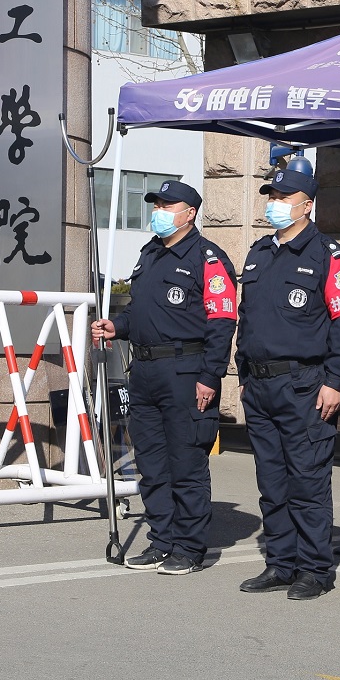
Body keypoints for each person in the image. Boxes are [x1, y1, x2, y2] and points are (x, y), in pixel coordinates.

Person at [90, 180, 238, 576]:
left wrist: (210, 375)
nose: (159, 211)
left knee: (185, 461)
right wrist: (117, 326)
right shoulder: (150, 254)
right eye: (156, 204)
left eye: (167, 205)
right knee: (151, 462)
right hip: (144, 370)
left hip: (186, 371)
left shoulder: (209, 259)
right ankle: (162, 540)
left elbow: (222, 322)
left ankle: (189, 548)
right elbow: (144, 313)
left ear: (189, 213)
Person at [235, 165, 340, 601]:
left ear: (307, 204)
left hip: (306, 384)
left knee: (307, 481)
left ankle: (314, 569)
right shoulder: (258, 253)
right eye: (272, 195)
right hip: (261, 385)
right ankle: (280, 563)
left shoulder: (330, 255)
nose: (275, 203)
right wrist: (244, 374)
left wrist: (334, 381)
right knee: (271, 482)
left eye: (285, 197)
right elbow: (246, 319)